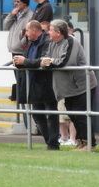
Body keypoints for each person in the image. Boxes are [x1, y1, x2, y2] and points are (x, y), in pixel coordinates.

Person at [40, 19, 97, 151]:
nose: (48, 32)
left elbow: (64, 62)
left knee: (81, 115)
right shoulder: (52, 43)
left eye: (51, 30)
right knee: (72, 114)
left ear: (58, 32)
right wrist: (47, 61)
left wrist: (49, 61)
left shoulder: (71, 41)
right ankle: (82, 142)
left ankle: (90, 144)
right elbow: (45, 59)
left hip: (82, 85)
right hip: (69, 88)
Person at [12, 20, 60, 150]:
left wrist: (25, 61)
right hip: (34, 84)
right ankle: (49, 141)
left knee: (51, 114)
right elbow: (31, 61)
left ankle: (53, 143)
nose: (26, 34)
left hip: (47, 84)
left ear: (34, 30)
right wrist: (19, 63)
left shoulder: (47, 42)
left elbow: (43, 61)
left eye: (27, 31)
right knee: (37, 115)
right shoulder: (30, 44)